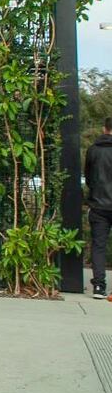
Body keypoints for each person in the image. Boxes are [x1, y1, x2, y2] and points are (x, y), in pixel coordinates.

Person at [85, 117, 112, 299]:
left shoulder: (93, 150)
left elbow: (88, 177)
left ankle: (99, 287)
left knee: (99, 246)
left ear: (104, 128)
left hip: (98, 205)